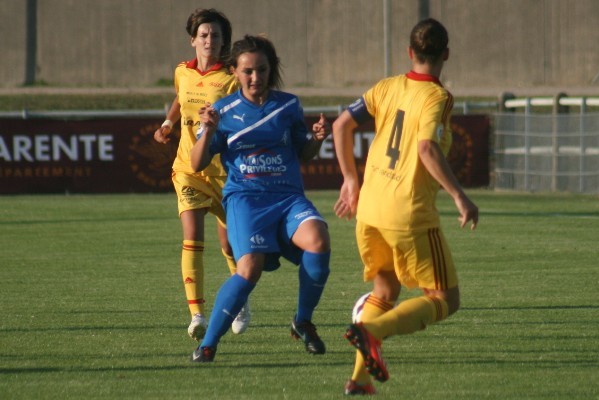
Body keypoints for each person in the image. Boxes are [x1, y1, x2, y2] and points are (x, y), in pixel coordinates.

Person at [332, 18, 479, 395]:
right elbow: (427, 148)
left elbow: (341, 125)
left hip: (370, 209)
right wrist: (460, 196)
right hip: (407, 211)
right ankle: (373, 331)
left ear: (410, 53)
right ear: (446, 54)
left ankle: (360, 380)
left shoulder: (387, 87)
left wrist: (351, 179)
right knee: (445, 298)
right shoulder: (439, 97)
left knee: (384, 290)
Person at [189, 34, 332, 362]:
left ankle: (303, 321)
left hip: (287, 197)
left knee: (319, 240)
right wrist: (208, 130)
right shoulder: (222, 110)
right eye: (248, 71)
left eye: (262, 70)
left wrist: (318, 139)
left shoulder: (288, 105)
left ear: (272, 70)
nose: (256, 78)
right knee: (249, 268)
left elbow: (304, 152)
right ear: (235, 72)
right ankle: (208, 343)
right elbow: (196, 163)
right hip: (246, 199)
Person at [153, 8, 250, 343]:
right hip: (188, 169)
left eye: (217, 35)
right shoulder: (182, 71)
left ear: (225, 42)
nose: (210, 40)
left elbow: (247, 114)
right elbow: (181, 98)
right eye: (204, 34)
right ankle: (197, 315)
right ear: (193, 39)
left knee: (230, 243)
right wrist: (167, 123)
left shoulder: (233, 77)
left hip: (226, 174)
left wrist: (221, 123)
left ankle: (239, 300)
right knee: (192, 237)